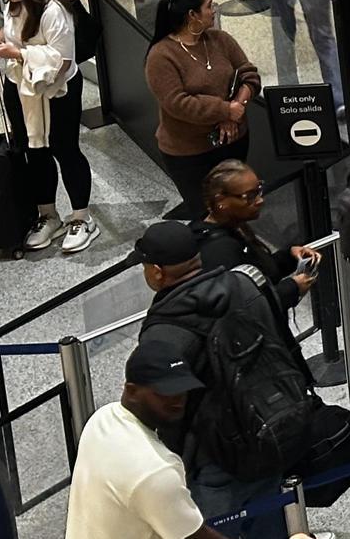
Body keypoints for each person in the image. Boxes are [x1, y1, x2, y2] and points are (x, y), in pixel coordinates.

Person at [136, 221, 304, 539]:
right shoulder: (244, 284)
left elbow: (164, 413)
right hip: (269, 432)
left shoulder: (163, 334)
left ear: (157, 271)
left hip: (213, 462)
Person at [66, 333, 227, 539]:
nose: (177, 401)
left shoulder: (101, 419)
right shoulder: (156, 471)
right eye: (164, 392)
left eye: (181, 390)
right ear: (131, 391)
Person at [0, 0, 94, 252]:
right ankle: (47, 215)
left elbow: (63, 61)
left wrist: (18, 54)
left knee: (65, 149)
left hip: (57, 90)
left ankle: (82, 217)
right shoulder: (11, 4)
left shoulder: (55, 10)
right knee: (33, 150)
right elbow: (12, 34)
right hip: (21, 88)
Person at [145, 0, 260, 218]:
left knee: (237, 209)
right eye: (209, 6)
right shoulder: (161, 56)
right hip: (190, 153)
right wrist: (226, 110)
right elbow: (178, 103)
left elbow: (249, 75)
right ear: (192, 15)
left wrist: (238, 105)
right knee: (207, 216)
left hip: (234, 141)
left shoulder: (221, 39)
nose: (214, 10)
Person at [192, 160, 321, 312]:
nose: (260, 200)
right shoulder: (219, 253)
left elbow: (260, 271)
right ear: (221, 201)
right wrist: (291, 289)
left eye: (259, 190)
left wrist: (290, 256)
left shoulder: (234, 226)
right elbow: (241, 310)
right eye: (250, 196)